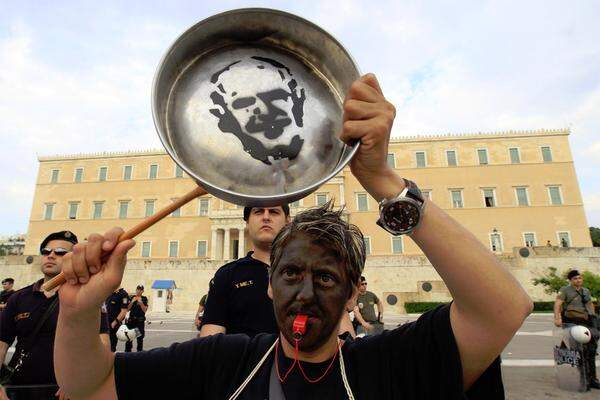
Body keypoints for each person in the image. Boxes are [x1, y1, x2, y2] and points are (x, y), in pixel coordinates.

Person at [53, 73, 533, 399]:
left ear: (352, 293)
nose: (304, 293)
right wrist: (77, 314)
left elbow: (503, 309)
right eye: (291, 273)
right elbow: (88, 387)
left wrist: (384, 181)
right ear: (269, 283)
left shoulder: (387, 366)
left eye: (326, 278)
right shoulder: (225, 363)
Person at [0, 231, 109, 400]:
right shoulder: (19, 297)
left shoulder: (86, 298)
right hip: (19, 387)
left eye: (60, 252)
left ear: (74, 259)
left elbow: (102, 343)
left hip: (64, 390)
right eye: (46, 251)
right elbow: (1, 343)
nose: (51, 255)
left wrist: (78, 381)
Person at [199, 204, 290, 338]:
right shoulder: (226, 276)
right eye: (258, 211)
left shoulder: (307, 271)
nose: (266, 217)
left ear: (288, 221)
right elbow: (209, 344)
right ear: (247, 222)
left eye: (274, 212)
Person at [554, 269, 599, 390]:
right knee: (578, 352)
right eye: (575, 278)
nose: (578, 280)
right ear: (570, 280)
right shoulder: (565, 290)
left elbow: (589, 305)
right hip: (571, 323)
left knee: (591, 351)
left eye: (579, 278)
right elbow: (558, 304)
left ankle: (593, 379)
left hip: (585, 322)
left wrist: (593, 318)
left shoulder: (586, 291)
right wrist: (557, 318)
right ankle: (583, 379)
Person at [105, 287, 129, 352]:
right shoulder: (109, 292)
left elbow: (123, 311)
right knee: (104, 346)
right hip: (105, 324)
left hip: (113, 325)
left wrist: (115, 322)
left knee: (111, 347)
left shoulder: (123, 294)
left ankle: (110, 361)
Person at [125, 285, 148, 352]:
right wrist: (132, 302)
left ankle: (139, 351)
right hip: (132, 321)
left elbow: (145, 310)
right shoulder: (131, 297)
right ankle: (128, 351)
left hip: (139, 321)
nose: (139, 291)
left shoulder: (144, 299)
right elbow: (127, 309)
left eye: (140, 290)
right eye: (138, 289)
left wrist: (141, 303)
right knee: (129, 337)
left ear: (143, 291)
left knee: (139, 338)